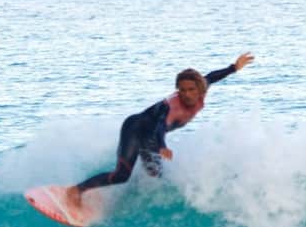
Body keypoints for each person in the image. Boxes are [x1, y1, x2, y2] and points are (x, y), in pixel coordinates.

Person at [67, 52, 254, 209]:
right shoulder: (172, 107)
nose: (186, 94)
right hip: (135, 130)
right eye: (182, 90)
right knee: (122, 175)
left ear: (199, 89)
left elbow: (212, 76)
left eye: (190, 89)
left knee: (155, 175)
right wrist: (162, 146)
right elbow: (160, 126)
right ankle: (76, 190)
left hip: (150, 139)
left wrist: (234, 67)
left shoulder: (202, 88)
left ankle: (118, 201)